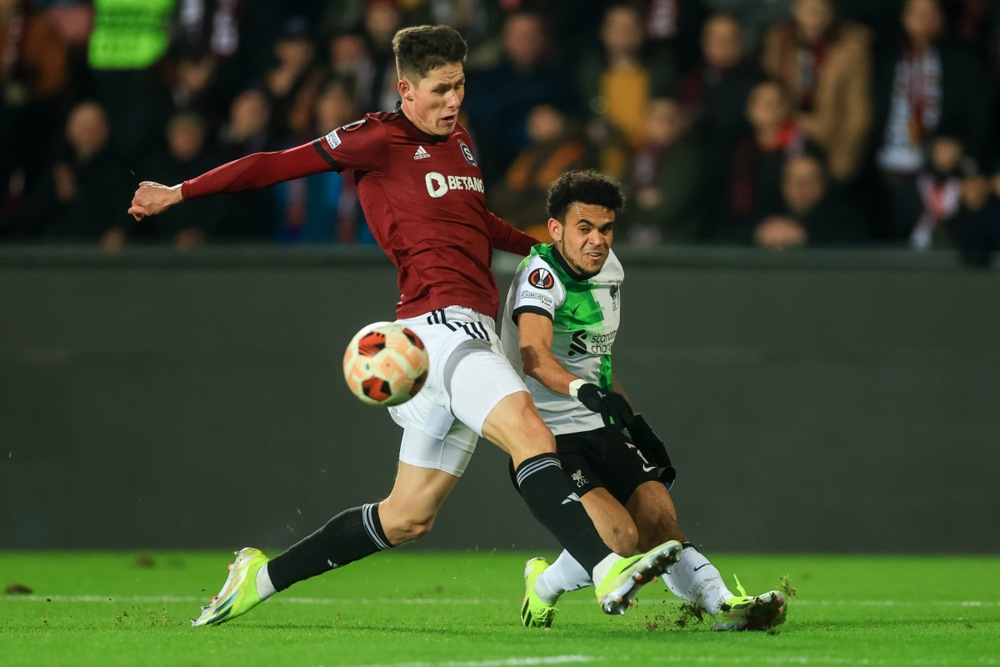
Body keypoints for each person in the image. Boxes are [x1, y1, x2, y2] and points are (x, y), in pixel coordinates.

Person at [127, 24, 681, 628]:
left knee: (407, 517)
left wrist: (542, 253)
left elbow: (476, 222)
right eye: (441, 89)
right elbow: (272, 164)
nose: (453, 102)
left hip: (464, 334)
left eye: (460, 86)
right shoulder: (376, 137)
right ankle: (605, 567)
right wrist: (178, 192)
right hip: (440, 326)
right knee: (530, 431)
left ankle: (258, 578)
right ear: (405, 89)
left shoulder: (461, 142)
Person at [499, 169, 788, 631]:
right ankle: (544, 584)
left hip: (600, 422)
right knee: (622, 539)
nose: (598, 240)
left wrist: (630, 416)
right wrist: (585, 393)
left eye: (607, 228)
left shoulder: (610, 270)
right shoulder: (540, 276)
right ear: (555, 230)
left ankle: (724, 606)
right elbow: (533, 357)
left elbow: (598, 360)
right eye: (584, 228)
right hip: (548, 435)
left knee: (661, 524)